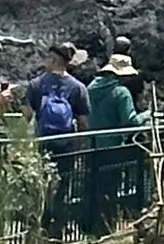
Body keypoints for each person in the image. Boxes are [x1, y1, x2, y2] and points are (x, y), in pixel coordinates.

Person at [24, 45, 90, 223]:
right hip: (67, 144)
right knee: (64, 182)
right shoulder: (78, 87)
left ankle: (42, 221)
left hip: (43, 142)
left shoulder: (36, 84)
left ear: (52, 60)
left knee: (42, 182)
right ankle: (58, 224)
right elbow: (83, 123)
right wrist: (80, 147)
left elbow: (26, 116)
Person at [85, 51, 147, 225]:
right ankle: (110, 223)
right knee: (111, 187)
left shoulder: (90, 89)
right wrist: (146, 115)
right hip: (113, 147)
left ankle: (92, 223)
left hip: (91, 145)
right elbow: (131, 122)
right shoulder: (121, 92)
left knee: (94, 186)